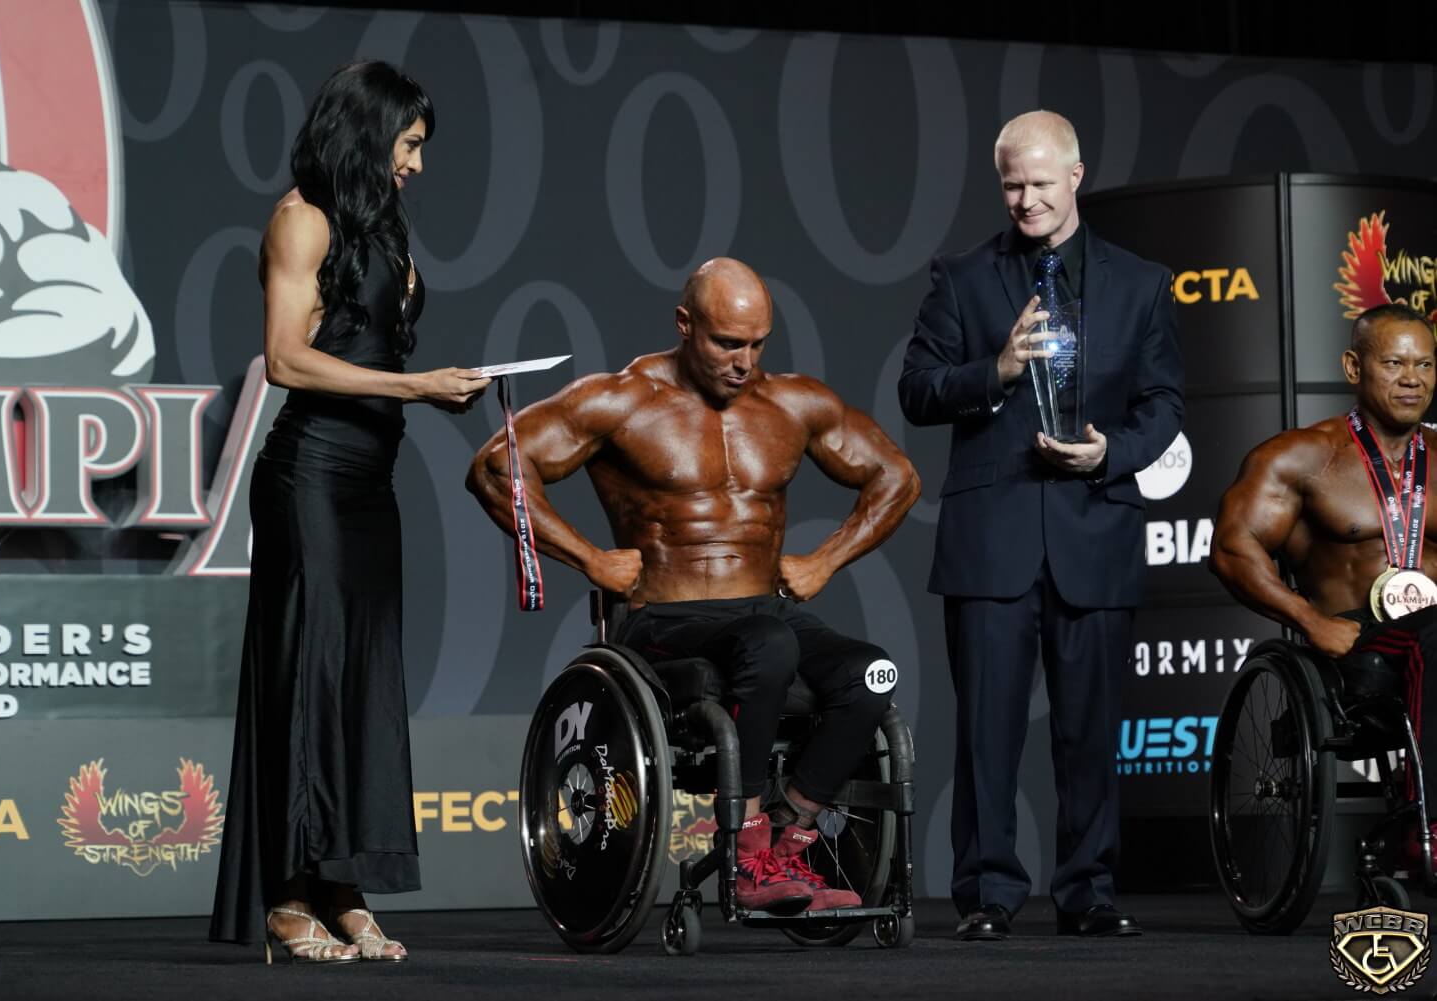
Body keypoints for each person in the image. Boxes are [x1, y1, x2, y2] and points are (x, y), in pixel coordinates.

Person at [467, 257, 919, 913]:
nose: (744, 362)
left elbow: (897, 476)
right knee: (768, 643)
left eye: (757, 344)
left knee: (871, 673)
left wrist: (826, 559)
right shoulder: (622, 400)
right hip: (665, 619)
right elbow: (494, 468)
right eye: (727, 343)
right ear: (685, 324)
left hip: (762, 612)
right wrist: (590, 558)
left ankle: (787, 836)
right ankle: (747, 848)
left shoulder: (792, 403)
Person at [208, 61, 491, 964]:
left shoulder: (382, 225)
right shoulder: (302, 220)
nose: (417, 164)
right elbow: (285, 360)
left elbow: (364, 342)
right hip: (312, 479)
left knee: (363, 686)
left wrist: (443, 388)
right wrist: (416, 385)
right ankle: (289, 896)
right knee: (310, 679)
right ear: (369, 134)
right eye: (409, 144)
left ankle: (343, 886)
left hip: (371, 484)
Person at [897, 110, 1183, 940]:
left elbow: (1164, 403)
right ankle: (988, 891)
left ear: (1076, 176)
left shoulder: (1143, 283)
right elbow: (917, 390)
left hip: (1097, 530)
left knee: (1090, 733)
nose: (1025, 200)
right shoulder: (962, 277)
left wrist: (1111, 453)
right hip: (992, 539)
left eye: (1040, 183)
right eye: (1011, 185)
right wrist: (996, 369)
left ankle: (1088, 891)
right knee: (985, 733)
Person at [1211, 303, 1437, 852]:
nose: (1412, 379)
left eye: (1425, 364)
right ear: (1354, 367)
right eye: (1394, 363)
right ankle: (1425, 827)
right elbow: (1232, 550)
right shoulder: (1300, 457)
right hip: (1358, 644)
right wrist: (1310, 621)